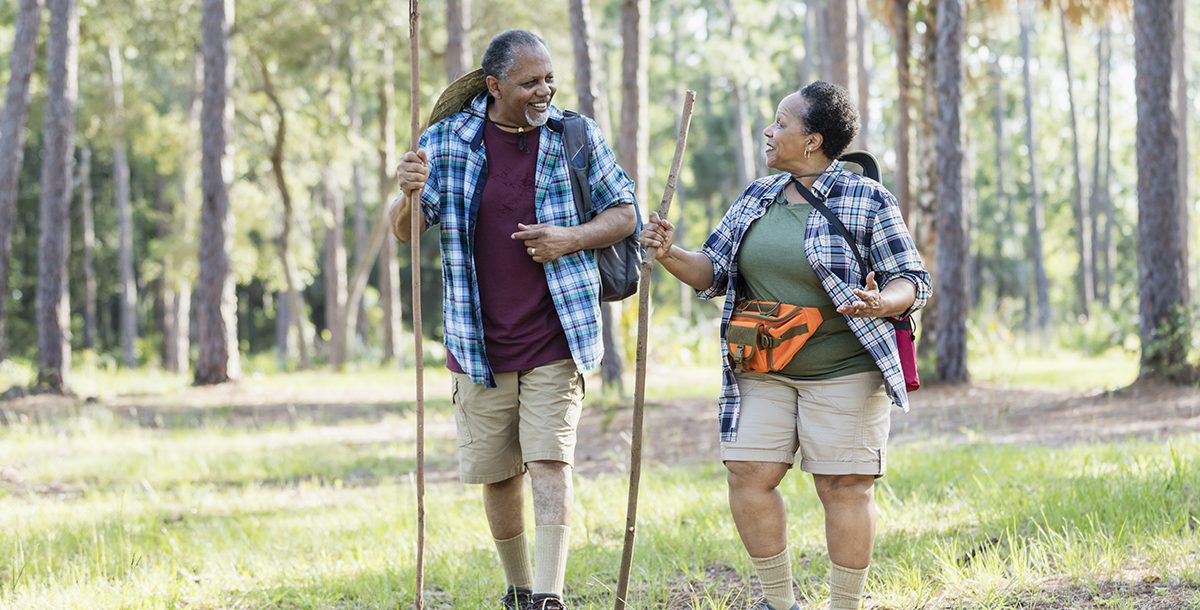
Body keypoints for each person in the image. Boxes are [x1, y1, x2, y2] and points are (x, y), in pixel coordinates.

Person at [640, 81, 930, 610]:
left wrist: (884, 303)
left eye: (781, 124)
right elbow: (713, 269)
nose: (769, 132)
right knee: (748, 474)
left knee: (844, 486)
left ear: (813, 140)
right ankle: (779, 603)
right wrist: (668, 253)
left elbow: (911, 278)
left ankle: (844, 605)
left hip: (844, 369)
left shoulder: (866, 197)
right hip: (762, 367)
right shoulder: (758, 196)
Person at [389, 29, 637, 610]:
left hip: (557, 333)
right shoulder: (446, 141)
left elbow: (625, 212)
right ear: (495, 85)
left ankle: (549, 596)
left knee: (550, 461)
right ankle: (520, 589)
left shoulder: (575, 135)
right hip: (477, 343)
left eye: (548, 78)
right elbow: (406, 231)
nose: (544, 90)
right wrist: (406, 194)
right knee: (499, 474)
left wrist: (569, 238)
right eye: (530, 82)